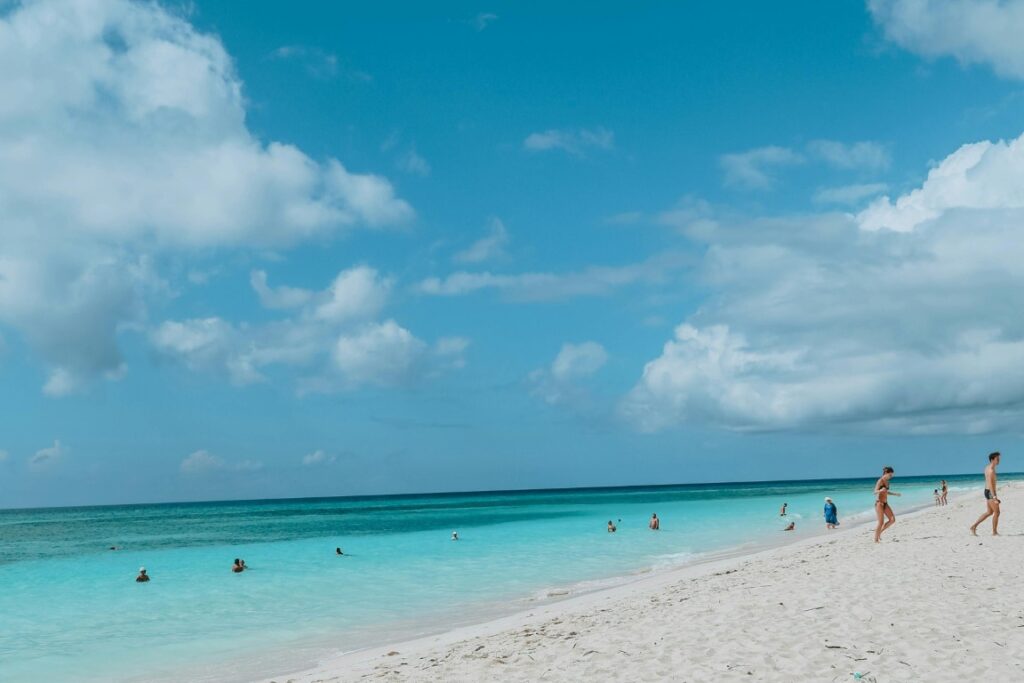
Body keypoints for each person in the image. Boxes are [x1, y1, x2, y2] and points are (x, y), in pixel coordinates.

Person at [970, 452, 1001, 536]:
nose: (999, 460)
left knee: (989, 512)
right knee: (997, 512)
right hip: (990, 492)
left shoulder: (987, 467)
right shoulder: (991, 470)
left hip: (987, 491)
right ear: (992, 460)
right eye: (997, 459)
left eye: (999, 459)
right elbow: (990, 485)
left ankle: (973, 526)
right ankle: (994, 532)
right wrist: (994, 497)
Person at [873, 466, 901, 543]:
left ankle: (879, 533)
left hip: (885, 503)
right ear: (886, 473)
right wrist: (880, 490)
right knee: (881, 522)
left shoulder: (887, 482)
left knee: (892, 520)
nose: (891, 476)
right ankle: (876, 540)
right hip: (879, 503)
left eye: (892, 475)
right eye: (890, 475)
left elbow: (886, 492)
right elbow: (874, 492)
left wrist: (895, 494)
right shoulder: (880, 481)